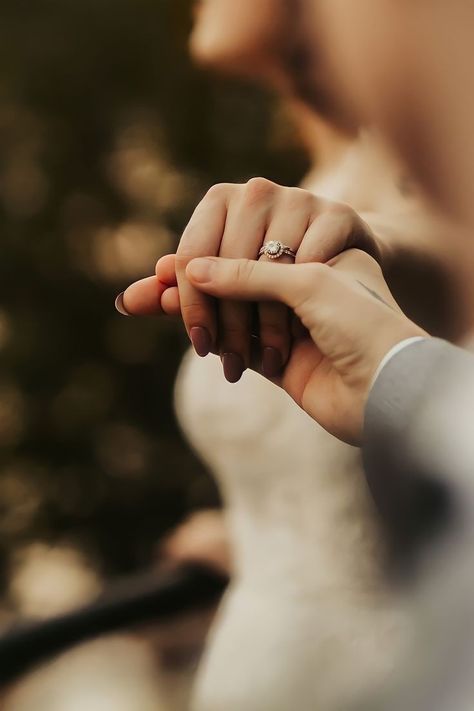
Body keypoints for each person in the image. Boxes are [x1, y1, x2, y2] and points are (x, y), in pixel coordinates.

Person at [116, 1, 464, 709]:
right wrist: (260, 533)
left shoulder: (429, 149)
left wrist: (375, 246)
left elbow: (439, 258)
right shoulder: (314, 169)